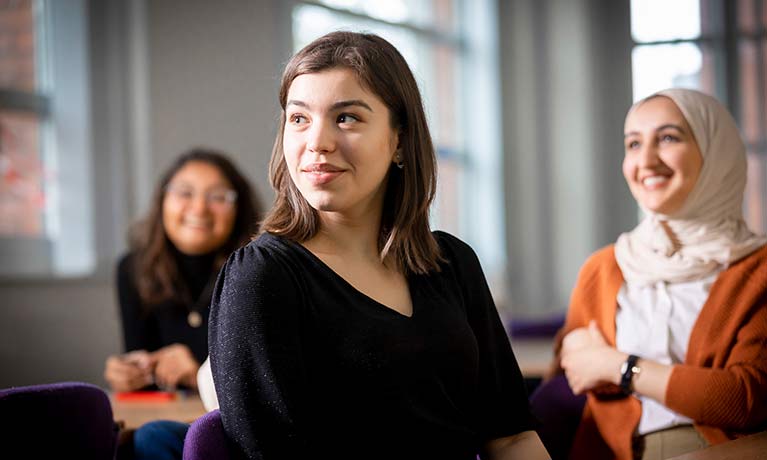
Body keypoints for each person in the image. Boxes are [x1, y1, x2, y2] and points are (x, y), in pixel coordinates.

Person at [208, 31, 549, 460]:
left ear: (400, 142)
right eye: (299, 119)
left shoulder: (452, 263)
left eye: (346, 117)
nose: (317, 142)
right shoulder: (261, 277)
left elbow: (512, 435)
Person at [536, 89, 767, 460]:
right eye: (633, 144)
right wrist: (586, 363)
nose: (645, 160)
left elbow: (744, 400)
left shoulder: (759, 267)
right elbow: (576, 374)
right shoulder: (604, 267)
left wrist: (618, 366)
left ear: (715, 152)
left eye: (668, 138)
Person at [104, 148, 260, 460]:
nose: (199, 208)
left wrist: (195, 371)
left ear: (238, 209)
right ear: (163, 200)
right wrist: (127, 373)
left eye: (218, 196)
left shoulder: (254, 269)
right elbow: (142, 362)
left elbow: (258, 377)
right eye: (184, 193)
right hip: (161, 419)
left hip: (227, 423)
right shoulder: (133, 270)